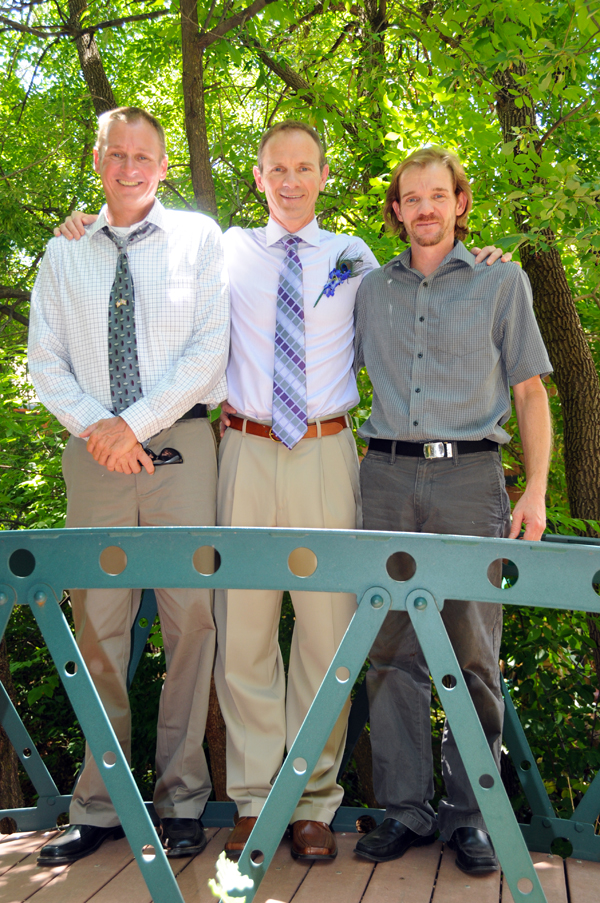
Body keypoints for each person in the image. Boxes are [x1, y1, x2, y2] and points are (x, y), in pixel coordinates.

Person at [53, 121, 507, 864]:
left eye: (304, 168)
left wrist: (477, 256)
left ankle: (315, 802)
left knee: (329, 633)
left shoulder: (357, 258)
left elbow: (427, 286)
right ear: (259, 178)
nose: (291, 180)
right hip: (245, 448)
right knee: (245, 631)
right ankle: (260, 798)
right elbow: (150, 251)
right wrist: (82, 226)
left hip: (328, 451)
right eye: (277, 169)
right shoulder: (219, 250)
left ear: (323, 176)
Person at [28, 106, 230, 866]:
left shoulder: (199, 240)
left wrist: (134, 423)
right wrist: (102, 429)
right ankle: (100, 803)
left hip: (181, 445)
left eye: (145, 155)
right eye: (118, 153)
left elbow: (212, 348)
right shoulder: (64, 253)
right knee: (100, 630)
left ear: (165, 164)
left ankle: (181, 798)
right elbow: (43, 360)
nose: (131, 167)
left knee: (193, 625)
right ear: (98, 158)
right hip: (94, 454)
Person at [353, 146, 552, 875]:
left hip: (471, 479)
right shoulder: (370, 290)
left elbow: (531, 392)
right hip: (382, 477)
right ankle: (404, 809)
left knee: (472, 652)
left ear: (460, 203)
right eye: (413, 197)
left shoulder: (503, 282)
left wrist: (533, 489)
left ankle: (472, 816)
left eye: (440, 194)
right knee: (390, 649)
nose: (427, 208)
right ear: (397, 209)